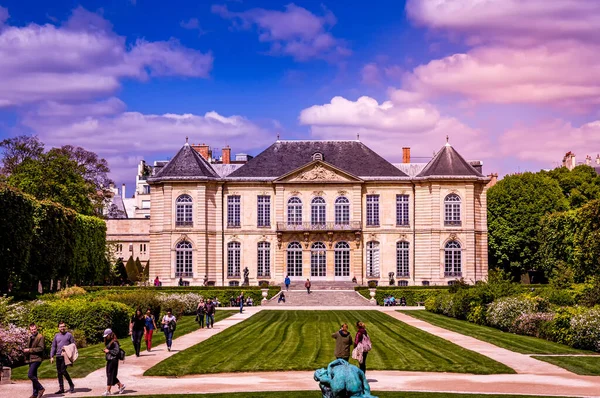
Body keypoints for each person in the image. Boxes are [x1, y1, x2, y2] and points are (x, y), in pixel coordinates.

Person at [50, 321, 75, 394]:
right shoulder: (56, 336)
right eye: (61, 326)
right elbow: (53, 346)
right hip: (58, 356)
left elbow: (73, 345)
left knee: (63, 370)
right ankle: (61, 388)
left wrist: (67, 348)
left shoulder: (69, 335)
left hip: (65, 356)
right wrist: (51, 356)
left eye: (63, 326)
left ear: (65, 327)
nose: (62, 328)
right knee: (59, 372)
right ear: (58, 328)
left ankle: (71, 384)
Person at [102, 328, 125, 396]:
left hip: (113, 360)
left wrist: (108, 351)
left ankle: (108, 391)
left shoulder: (114, 342)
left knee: (110, 375)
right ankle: (121, 386)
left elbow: (116, 351)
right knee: (111, 375)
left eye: (107, 335)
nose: (106, 337)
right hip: (110, 360)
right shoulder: (110, 341)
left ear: (110, 334)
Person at [24, 322, 45, 398]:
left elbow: (41, 348)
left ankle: (41, 388)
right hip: (31, 359)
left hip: (37, 359)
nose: (33, 331)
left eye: (34, 329)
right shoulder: (30, 337)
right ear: (30, 330)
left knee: (30, 375)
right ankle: (35, 394)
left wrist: (29, 350)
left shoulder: (40, 337)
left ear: (37, 328)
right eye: (32, 329)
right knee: (34, 376)